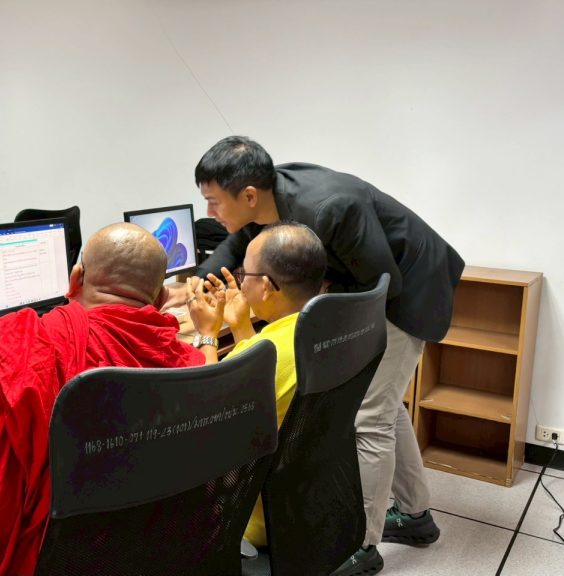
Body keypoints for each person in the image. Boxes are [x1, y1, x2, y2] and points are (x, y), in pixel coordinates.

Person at [181, 136, 465, 576]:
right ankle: (415, 516)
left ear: (249, 195)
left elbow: (382, 283)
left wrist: (318, 303)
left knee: (370, 418)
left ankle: (361, 546)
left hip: (405, 292)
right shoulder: (266, 200)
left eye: (213, 202)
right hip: (376, 281)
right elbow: (239, 242)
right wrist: (201, 280)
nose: (209, 212)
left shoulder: (330, 207)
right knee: (386, 405)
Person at [0, 223, 206, 576]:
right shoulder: (187, 368)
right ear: (161, 298)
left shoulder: (26, 353)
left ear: (75, 279)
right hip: (152, 552)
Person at [187, 221, 326, 547]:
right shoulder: (319, 330)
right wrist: (239, 327)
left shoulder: (266, 353)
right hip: (302, 506)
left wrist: (207, 334)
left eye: (244, 274)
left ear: (265, 286)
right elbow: (261, 378)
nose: (239, 282)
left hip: (246, 518)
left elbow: (204, 414)